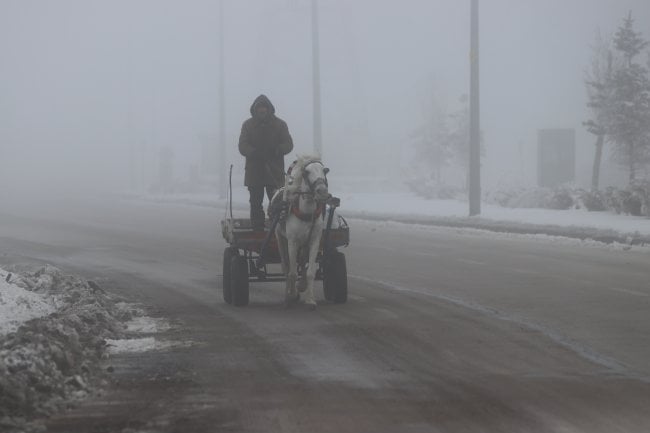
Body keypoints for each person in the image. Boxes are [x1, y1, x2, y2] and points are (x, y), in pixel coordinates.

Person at [238, 94, 294, 230]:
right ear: (255, 110)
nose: (262, 110)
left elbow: (289, 144)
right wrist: (253, 152)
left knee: (277, 202)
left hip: (274, 172)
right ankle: (257, 229)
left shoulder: (280, 125)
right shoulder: (248, 125)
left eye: (264, 108)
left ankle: (279, 228)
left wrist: (277, 150)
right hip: (254, 172)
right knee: (255, 203)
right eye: (259, 108)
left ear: (269, 109)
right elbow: (242, 145)